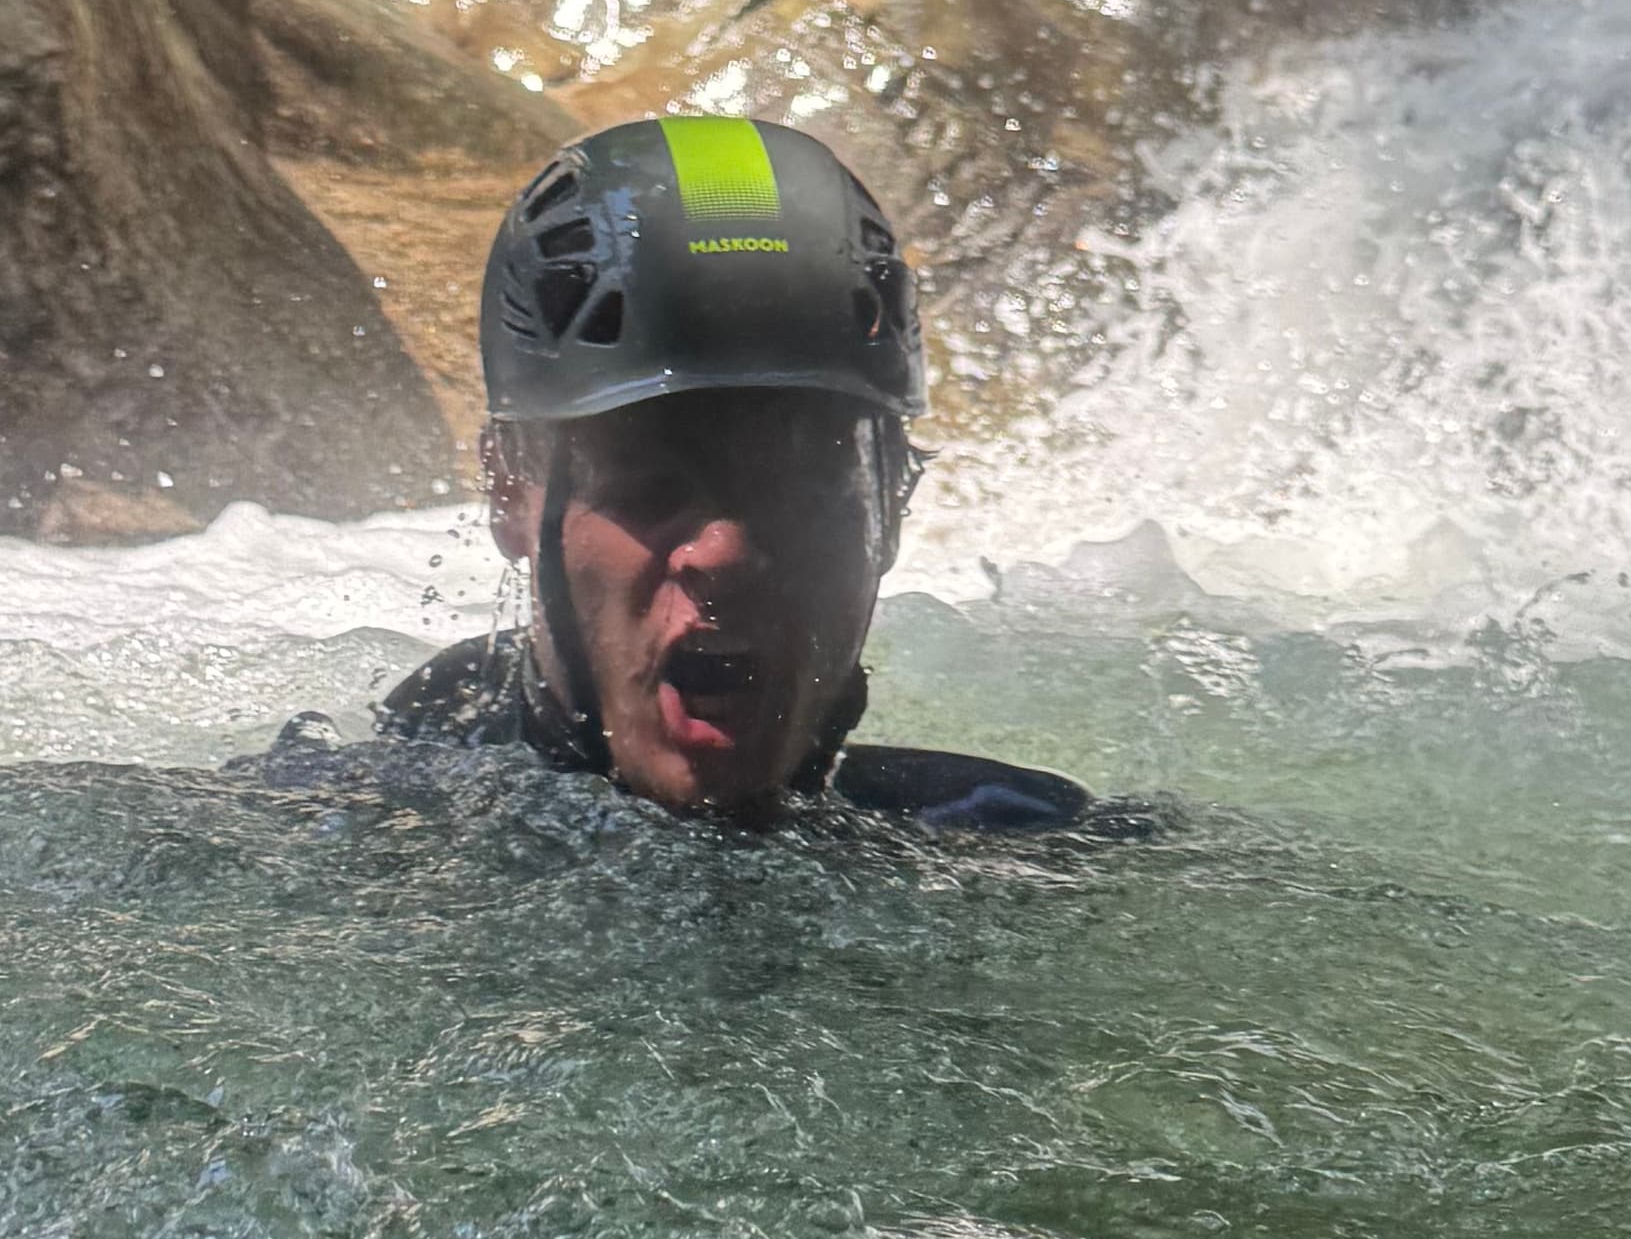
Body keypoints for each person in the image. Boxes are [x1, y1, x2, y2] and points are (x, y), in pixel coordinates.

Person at [250, 113, 1093, 833]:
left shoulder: (1026, 853)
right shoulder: (336, 842)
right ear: (511, 488)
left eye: (802, 491)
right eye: (651, 488)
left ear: (892, 508)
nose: (724, 554)